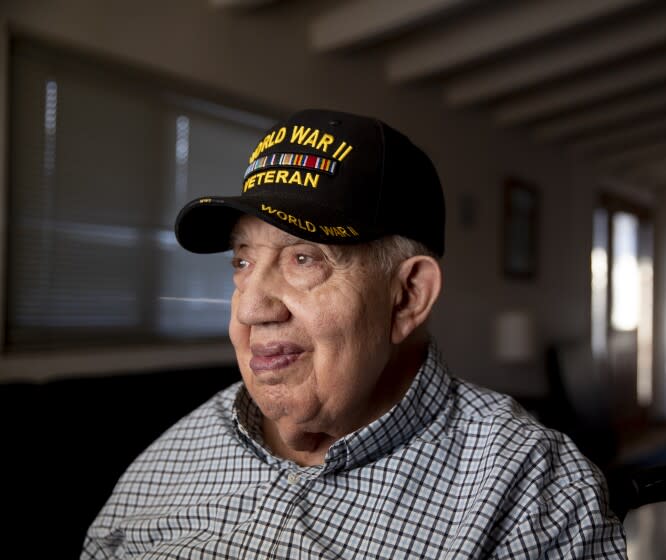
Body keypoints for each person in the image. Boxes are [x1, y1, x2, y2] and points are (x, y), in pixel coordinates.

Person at [81, 108, 627, 559]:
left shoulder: (530, 489)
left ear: (407, 296)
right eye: (242, 263)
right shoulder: (175, 456)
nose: (250, 308)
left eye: (304, 258)